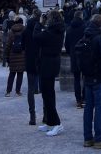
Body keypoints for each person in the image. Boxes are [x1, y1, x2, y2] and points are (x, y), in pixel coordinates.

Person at [80, 14, 101, 149]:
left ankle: (87, 138)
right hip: (99, 77)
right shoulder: (100, 37)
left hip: (87, 76)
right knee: (99, 109)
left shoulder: (85, 36)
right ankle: (99, 139)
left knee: (88, 107)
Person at [34, 9, 65, 137]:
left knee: (48, 94)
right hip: (52, 63)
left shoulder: (51, 32)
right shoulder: (58, 30)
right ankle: (49, 121)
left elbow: (36, 37)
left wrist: (39, 23)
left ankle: (57, 123)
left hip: (47, 64)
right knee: (47, 93)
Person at [23, 8, 42, 125]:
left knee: (30, 89)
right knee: (44, 88)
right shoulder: (41, 29)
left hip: (30, 59)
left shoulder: (26, 31)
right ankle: (46, 114)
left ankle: (32, 115)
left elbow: (23, 46)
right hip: (40, 60)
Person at [64, 10, 86, 108]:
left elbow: (67, 44)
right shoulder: (85, 27)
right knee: (85, 77)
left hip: (74, 55)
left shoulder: (69, 29)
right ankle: (85, 98)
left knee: (76, 79)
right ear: (81, 17)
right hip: (84, 55)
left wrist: (70, 52)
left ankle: (78, 100)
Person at [5, 17, 25, 97]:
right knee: (20, 74)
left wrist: (7, 55)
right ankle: (18, 91)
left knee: (12, 74)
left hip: (13, 54)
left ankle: (8, 91)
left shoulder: (11, 31)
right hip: (22, 55)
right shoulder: (25, 30)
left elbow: (8, 45)